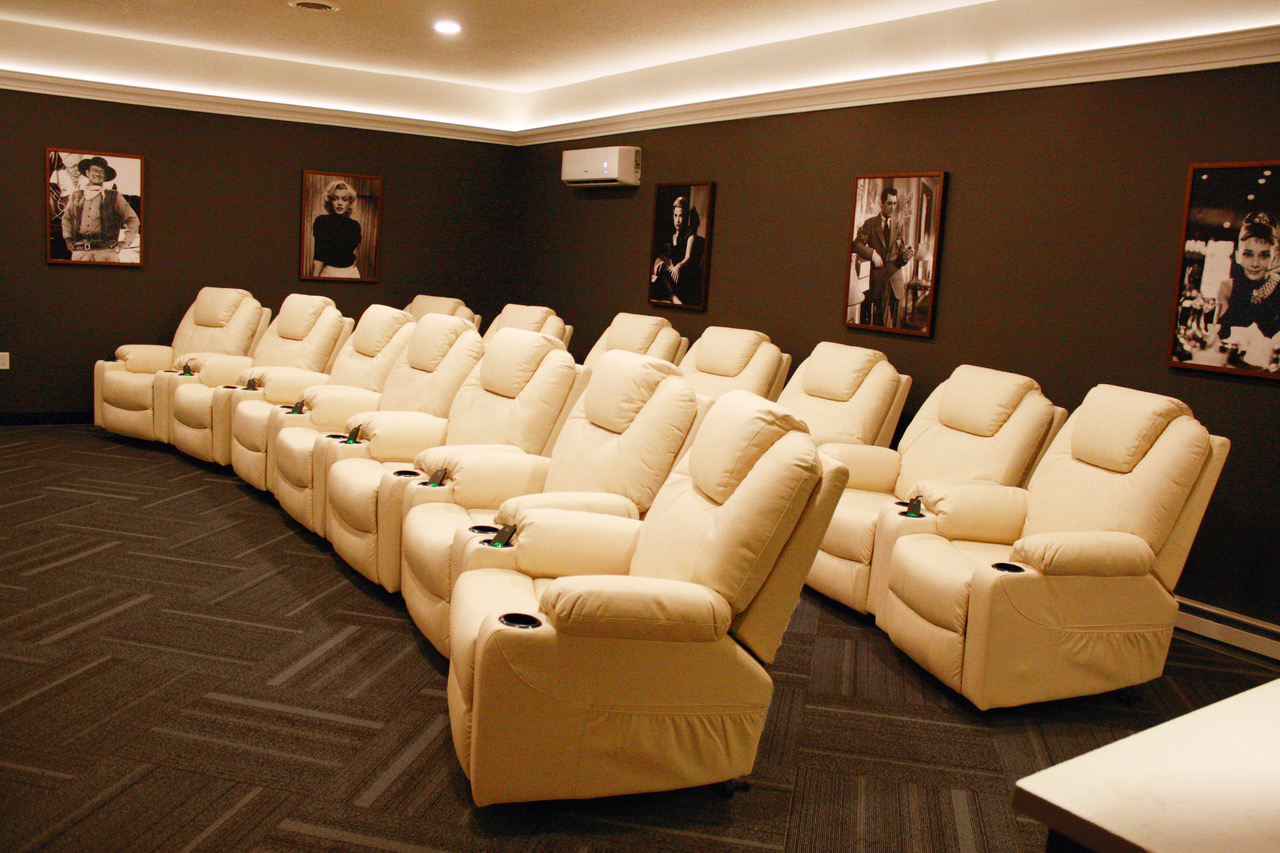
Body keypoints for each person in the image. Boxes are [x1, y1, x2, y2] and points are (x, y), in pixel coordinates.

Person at [1214, 212, 1280, 369]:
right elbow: (1215, 338)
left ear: (1274, 257)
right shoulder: (1227, 288)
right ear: (1238, 256)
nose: (1255, 263)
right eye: (1248, 254)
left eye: (1264, 256)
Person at [852, 186, 915, 326]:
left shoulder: (899, 225)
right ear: (881, 203)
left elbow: (899, 257)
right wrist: (873, 254)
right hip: (879, 284)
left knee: (896, 327)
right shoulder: (870, 224)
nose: (892, 207)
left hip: (896, 283)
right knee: (881, 325)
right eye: (889, 203)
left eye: (895, 203)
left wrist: (905, 257)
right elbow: (856, 245)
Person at [60, 156, 140, 262]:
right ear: (87, 173)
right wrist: (68, 238)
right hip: (80, 251)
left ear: (105, 176)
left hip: (105, 251)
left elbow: (132, 219)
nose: (98, 174)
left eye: (102, 172)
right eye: (95, 170)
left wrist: (125, 242)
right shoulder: (76, 196)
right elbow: (67, 218)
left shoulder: (114, 196)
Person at [650, 196, 705, 306]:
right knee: (659, 272)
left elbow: (688, 258)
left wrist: (678, 267)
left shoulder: (690, 236)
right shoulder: (672, 237)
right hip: (673, 270)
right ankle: (673, 297)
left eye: (681, 216)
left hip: (684, 270)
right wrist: (665, 265)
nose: (678, 220)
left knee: (668, 278)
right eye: (675, 216)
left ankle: (673, 297)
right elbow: (669, 258)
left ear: (686, 217)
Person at [311, 180, 362, 278]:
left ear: (350, 203)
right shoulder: (322, 221)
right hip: (329, 272)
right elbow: (319, 256)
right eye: (335, 199)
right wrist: (313, 280)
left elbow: (355, 249)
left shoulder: (355, 225)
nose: (340, 203)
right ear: (330, 201)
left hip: (351, 273)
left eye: (344, 199)